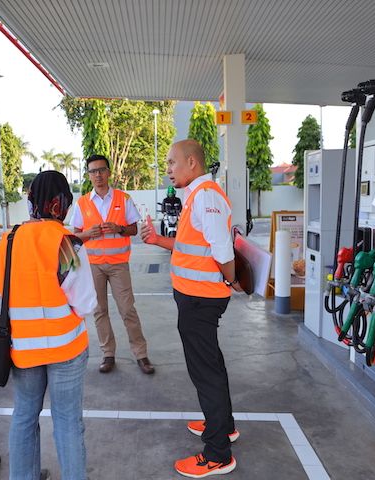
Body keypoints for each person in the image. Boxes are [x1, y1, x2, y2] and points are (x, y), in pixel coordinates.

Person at [140, 139, 241, 477]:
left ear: (193, 163)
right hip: (195, 297)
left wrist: (231, 281)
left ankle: (217, 454)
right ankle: (223, 426)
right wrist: (157, 240)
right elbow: (189, 247)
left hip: (201, 300)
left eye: (172, 162)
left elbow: (223, 250)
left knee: (205, 372)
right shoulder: (195, 197)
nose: (167, 168)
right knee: (210, 363)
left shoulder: (206, 197)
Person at [0, 170, 97, 480]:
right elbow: (86, 302)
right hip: (66, 349)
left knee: (24, 416)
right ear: (61, 204)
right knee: (67, 421)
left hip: (23, 350)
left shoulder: (7, 242)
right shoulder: (66, 242)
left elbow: (4, 290)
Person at [71, 154, 154, 375]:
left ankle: (141, 354)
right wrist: (89, 233)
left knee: (128, 310)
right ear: (88, 175)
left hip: (119, 265)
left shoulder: (123, 198)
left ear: (109, 172)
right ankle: (108, 354)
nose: (97, 175)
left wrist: (119, 228)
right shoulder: (82, 203)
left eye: (101, 170)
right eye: (93, 171)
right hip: (94, 266)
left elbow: (134, 229)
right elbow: (76, 235)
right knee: (99, 311)